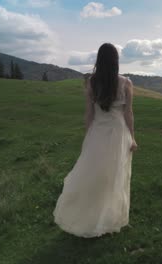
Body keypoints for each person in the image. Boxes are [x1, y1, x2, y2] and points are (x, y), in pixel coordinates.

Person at [53, 43, 138, 238]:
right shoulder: (126, 83)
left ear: (99, 60)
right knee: (115, 176)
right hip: (118, 133)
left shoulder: (92, 82)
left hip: (98, 132)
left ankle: (93, 214)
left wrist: (87, 137)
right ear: (116, 61)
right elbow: (129, 113)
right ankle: (109, 217)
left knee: (93, 173)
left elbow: (89, 113)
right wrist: (133, 138)